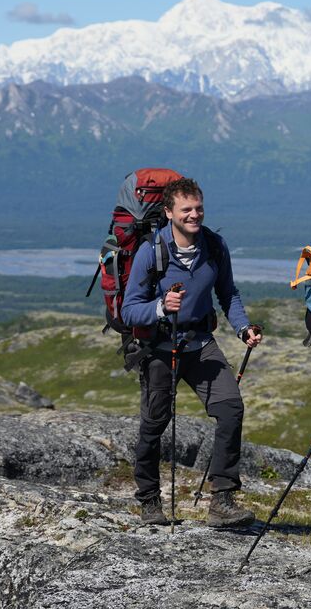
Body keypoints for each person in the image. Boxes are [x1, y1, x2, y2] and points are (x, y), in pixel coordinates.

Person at [121, 177, 263, 528]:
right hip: (159, 348)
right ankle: (150, 501)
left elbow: (228, 294)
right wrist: (160, 307)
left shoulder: (214, 246)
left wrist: (243, 327)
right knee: (154, 425)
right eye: (186, 209)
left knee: (230, 408)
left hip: (200, 344)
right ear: (169, 212)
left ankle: (222, 500)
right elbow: (129, 310)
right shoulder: (151, 251)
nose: (194, 214)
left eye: (198, 208)